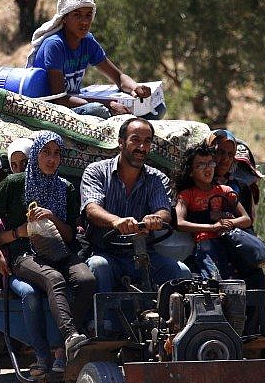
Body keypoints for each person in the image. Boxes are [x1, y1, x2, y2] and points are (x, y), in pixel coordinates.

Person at [0, 130, 96, 369]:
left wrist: (52, 217)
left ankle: (63, 346)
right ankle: (68, 338)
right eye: (46, 152)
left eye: (56, 153)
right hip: (24, 255)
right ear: (35, 155)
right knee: (54, 279)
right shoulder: (14, 184)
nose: (51, 159)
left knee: (86, 279)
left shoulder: (65, 188)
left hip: (59, 251)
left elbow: (70, 234)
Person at [81, 117, 191, 293]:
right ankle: (101, 321)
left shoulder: (157, 179)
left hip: (144, 255)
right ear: (121, 142)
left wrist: (155, 219)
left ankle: (172, 320)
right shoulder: (96, 171)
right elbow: (92, 209)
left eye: (147, 142)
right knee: (98, 266)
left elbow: (164, 212)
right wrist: (116, 222)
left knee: (182, 272)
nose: (141, 147)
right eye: (135, 140)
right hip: (106, 253)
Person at [26, 0, 165, 120]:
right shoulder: (55, 45)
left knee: (157, 108)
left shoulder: (87, 41)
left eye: (88, 15)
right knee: (96, 110)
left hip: (75, 98)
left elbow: (119, 77)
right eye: (77, 15)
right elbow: (59, 98)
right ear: (64, 18)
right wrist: (108, 103)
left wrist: (136, 88)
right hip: (54, 106)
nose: (85, 22)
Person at [0, 137, 66, 376]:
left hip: (48, 256)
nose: (21, 168)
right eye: (15, 164)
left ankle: (62, 352)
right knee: (32, 294)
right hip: (18, 261)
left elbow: (68, 230)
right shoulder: (12, 186)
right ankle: (42, 356)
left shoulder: (58, 187)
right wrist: (9, 243)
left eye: (25, 162)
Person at [172, 142, 259, 281]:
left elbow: (246, 219)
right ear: (190, 171)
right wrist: (212, 227)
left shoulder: (225, 191)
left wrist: (228, 223)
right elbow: (180, 223)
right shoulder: (186, 195)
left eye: (210, 163)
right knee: (214, 281)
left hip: (228, 243)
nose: (208, 169)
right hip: (205, 245)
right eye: (200, 165)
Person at [205, 129, 265, 289]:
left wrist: (228, 220)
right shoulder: (195, 185)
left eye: (230, 154)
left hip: (235, 250)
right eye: (219, 152)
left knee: (257, 282)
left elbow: (248, 224)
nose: (224, 159)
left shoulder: (240, 188)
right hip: (204, 247)